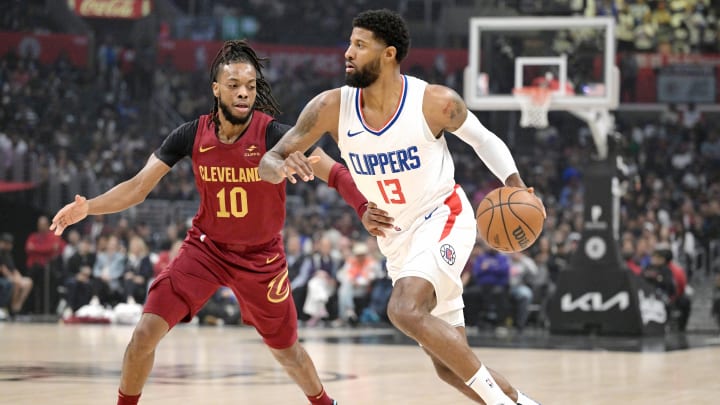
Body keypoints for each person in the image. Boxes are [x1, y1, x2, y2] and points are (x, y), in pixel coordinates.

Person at [50, 40, 382, 405]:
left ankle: (324, 402)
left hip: (262, 259)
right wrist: (89, 208)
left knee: (287, 351)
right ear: (216, 89)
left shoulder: (275, 135)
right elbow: (138, 187)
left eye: (251, 86)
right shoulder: (191, 134)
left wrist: (363, 207)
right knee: (145, 332)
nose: (243, 93)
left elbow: (334, 172)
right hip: (206, 250)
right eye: (234, 85)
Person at [259, 9, 544, 405]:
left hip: (442, 216)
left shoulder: (434, 102)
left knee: (403, 309)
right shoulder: (329, 107)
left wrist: (515, 185)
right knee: (448, 367)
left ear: (389, 53)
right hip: (395, 239)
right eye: (349, 43)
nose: (348, 52)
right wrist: (282, 165)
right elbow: (267, 162)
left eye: (360, 45)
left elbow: (483, 139)